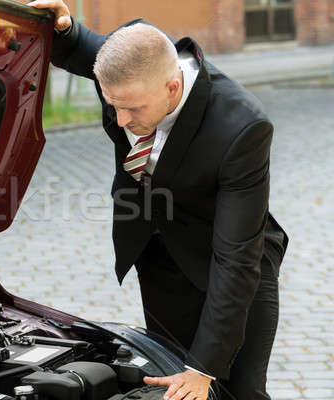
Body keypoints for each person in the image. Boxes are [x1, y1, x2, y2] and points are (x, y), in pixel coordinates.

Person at [27, 1, 289, 400]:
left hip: (236, 269)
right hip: (162, 259)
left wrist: (204, 369)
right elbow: (84, 48)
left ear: (172, 86)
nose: (120, 119)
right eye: (112, 104)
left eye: (132, 108)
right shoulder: (132, 62)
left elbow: (236, 260)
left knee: (240, 391)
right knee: (169, 381)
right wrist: (64, 30)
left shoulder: (242, 128)